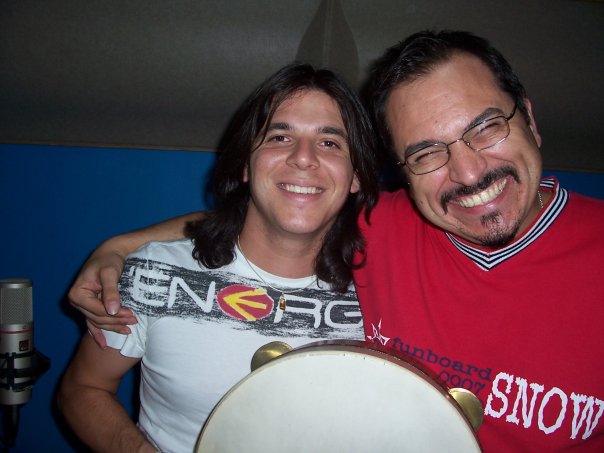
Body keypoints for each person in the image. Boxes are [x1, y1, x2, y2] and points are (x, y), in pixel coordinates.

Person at [67, 31, 604, 451]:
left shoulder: (375, 241)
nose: (466, 172)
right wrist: (119, 247)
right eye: (426, 152)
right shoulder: (156, 273)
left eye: (485, 127)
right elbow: (271, 215)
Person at [58, 63, 379, 452]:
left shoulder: (382, 291)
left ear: (356, 175)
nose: (303, 158)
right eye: (279, 137)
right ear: (245, 164)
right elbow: (83, 388)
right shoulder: (157, 274)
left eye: (329, 143)